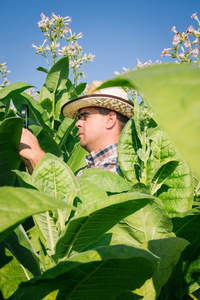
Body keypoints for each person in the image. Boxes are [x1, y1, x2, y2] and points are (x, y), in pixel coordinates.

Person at [18, 81, 134, 177]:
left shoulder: (118, 165)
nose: (77, 123)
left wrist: (36, 156)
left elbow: (74, 203)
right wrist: (32, 165)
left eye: (85, 116)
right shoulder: (92, 166)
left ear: (110, 120)